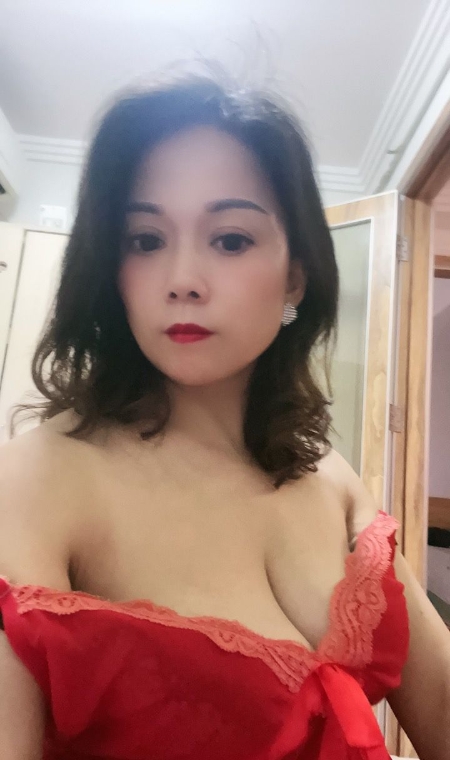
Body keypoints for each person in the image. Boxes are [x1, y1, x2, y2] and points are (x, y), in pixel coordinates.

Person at [0, 75, 449, 760]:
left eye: (231, 240)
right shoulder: (37, 479)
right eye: (145, 240)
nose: (182, 278)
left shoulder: (328, 475)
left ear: (295, 275)